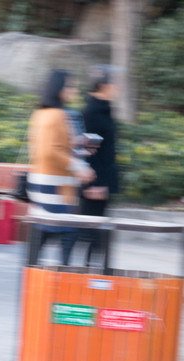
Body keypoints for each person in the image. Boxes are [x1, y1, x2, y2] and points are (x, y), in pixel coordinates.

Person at [27, 69, 96, 265]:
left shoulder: (41, 113)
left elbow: (51, 146)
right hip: (54, 185)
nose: (74, 89)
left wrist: (76, 146)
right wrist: (79, 167)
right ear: (58, 88)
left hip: (42, 181)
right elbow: (50, 151)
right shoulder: (57, 115)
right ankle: (63, 280)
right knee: (67, 233)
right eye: (70, 85)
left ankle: (35, 277)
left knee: (45, 234)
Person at [77, 64, 120, 267]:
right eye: (114, 82)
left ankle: (91, 276)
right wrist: (92, 185)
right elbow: (87, 152)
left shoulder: (104, 109)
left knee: (96, 236)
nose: (117, 86)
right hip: (95, 183)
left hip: (103, 181)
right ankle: (83, 278)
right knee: (90, 235)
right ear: (103, 84)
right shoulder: (93, 112)